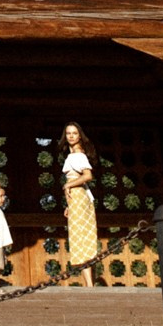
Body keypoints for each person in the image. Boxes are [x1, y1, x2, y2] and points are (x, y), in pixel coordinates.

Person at [60, 121, 98, 285]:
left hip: (79, 197)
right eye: (68, 133)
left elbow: (87, 175)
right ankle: (88, 282)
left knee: (80, 236)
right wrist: (69, 205)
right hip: (76, 198)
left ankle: (89, 283)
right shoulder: (73, 154)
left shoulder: (78, 154)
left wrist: (68, 184)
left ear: (80, 135)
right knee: (79, 236)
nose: (71, 136)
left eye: (74, 133)